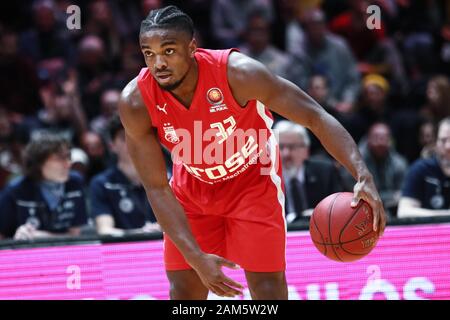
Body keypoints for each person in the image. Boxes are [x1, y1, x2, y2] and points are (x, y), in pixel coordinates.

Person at [119, 5, 386, 300]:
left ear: (192, 47)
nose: (158, 63)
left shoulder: (239, 74)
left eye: (168, 51)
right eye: (149, 53)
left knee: (268, 292)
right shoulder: (136, 102)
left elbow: (315, 116)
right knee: (184, 292)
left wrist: (362, 174)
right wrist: (195, 257)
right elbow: (156, 187)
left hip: (253, 180)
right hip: (192, 189)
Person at [0, 133, 88, 240]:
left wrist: (45, 238)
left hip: (66, 253)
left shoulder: (75, 182)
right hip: (23, 253)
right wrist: (18, 238)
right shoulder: (15, 190)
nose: (68, 164)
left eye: (68, 157)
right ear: (38, 163)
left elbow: (76, 235)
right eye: (60, 158)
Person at [89, 116, 160, 236]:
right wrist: (142, 233)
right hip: (123, 252)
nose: (133, 143)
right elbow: (105, 231)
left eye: (138, 137)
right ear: (112, 146)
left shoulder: (168, 178)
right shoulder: (102, 184)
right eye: (124, 138)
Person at [274, 120, 344, 223]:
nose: (286, 154)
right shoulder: (266, 178)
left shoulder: (325, 172)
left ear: (306, 150)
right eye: (281, 147)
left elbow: (339, 209)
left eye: (292, 147)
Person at [397, 117, 450, 218]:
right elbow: (404, 212)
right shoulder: (420, 169)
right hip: (431, 231)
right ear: (435, 143)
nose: (448, 146)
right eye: (443, 140)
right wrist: (446, 215)